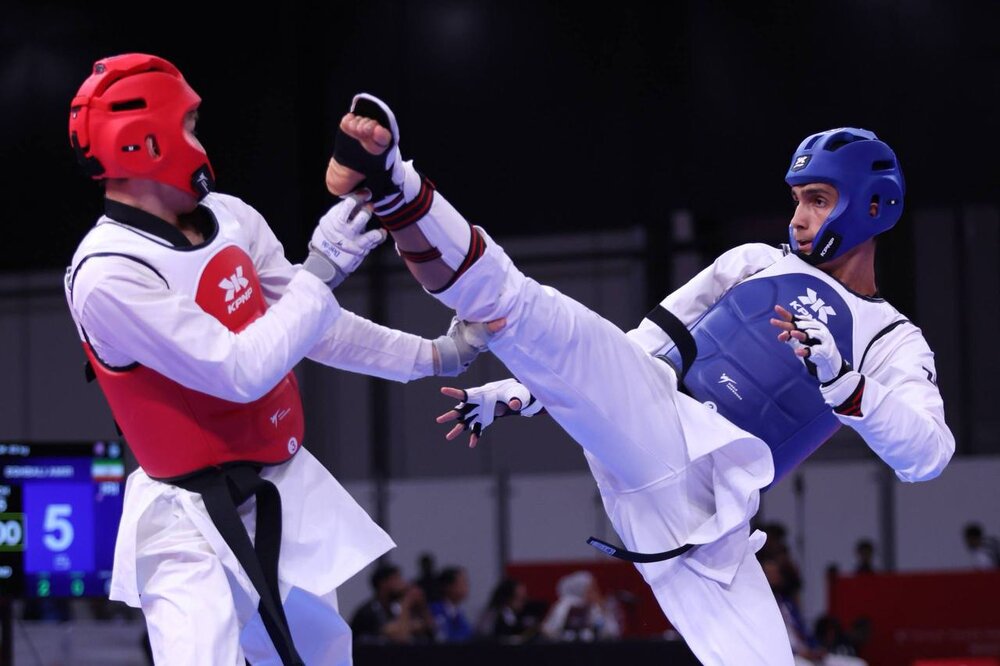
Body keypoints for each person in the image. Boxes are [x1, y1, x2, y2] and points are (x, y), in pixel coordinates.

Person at [324, 94, 955, 665]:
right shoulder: (752, 262)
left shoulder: (891, 339)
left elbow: (928, 456)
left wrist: (847, 384)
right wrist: (521, 392)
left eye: (817, 200)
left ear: (873, 206)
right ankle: (395, 183)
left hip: (713, 523)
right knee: (520, 305)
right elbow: (638, 348)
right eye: (797, 199)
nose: (799, 217)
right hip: (654, 417)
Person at [64, 55, 488, 665]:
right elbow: (238, 371)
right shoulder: (109, 274)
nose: (199, 141)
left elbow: (311, 325)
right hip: (185, 523)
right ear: (146, 142)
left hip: (278, 490)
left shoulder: (231, 216)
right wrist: (322, 268)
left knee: (323, 658)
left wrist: (436, 356)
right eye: (188, 126)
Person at [350, 563, 437, 644]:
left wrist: (422, 606)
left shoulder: (395, 608)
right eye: (397, 578)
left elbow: (430, 628)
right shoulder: (369, 612)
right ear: (383, 584)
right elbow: (401, 637)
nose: (403, 583)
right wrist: (406, 602)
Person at [539, 570, 622, 642]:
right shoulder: (564, 606)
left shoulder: (594, 607)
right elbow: (553, 631)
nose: (596, 592)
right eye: (592, 588)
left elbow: (612, 632)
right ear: (580, 588)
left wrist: (603, 609)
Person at [477, 577, 535, 643]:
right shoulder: (493, 615)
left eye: (524, 598)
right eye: (519, 598)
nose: (523, 602)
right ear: (507, 597)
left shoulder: (520, 615)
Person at [428, 566, 474, 642]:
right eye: (463, 582)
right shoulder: (435, 610)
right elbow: (443, 636)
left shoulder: (459, 613)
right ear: (448, 586)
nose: (466, 587)